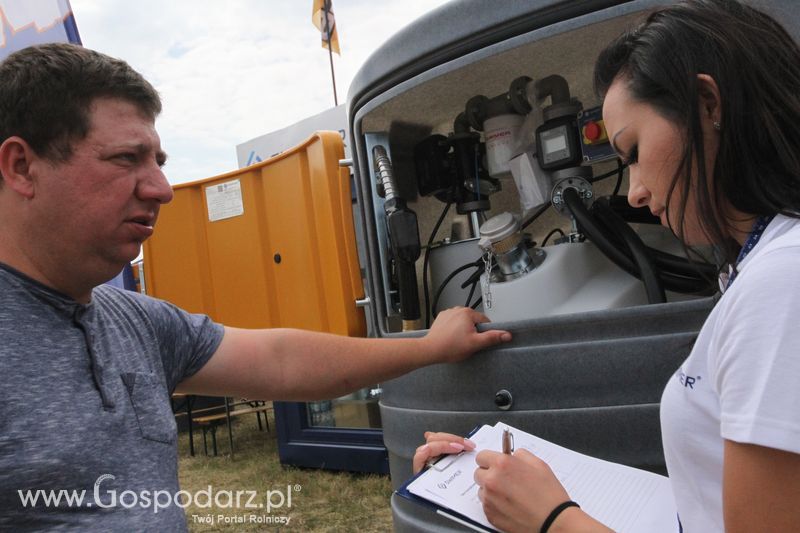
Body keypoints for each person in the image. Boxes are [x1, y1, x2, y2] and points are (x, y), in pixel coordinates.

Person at [0, 42, 512, 530]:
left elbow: (281, 361)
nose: (160, 189)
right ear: (22, 167)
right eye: (125, 159)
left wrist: (430, 347)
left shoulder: (134, 320)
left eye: (159, 162)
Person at [413, 1, 800, 531]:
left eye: (635, 149)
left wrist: (552, 519)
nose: (635, 192)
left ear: (708, 103)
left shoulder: (782, 283)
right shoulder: (766, 268)